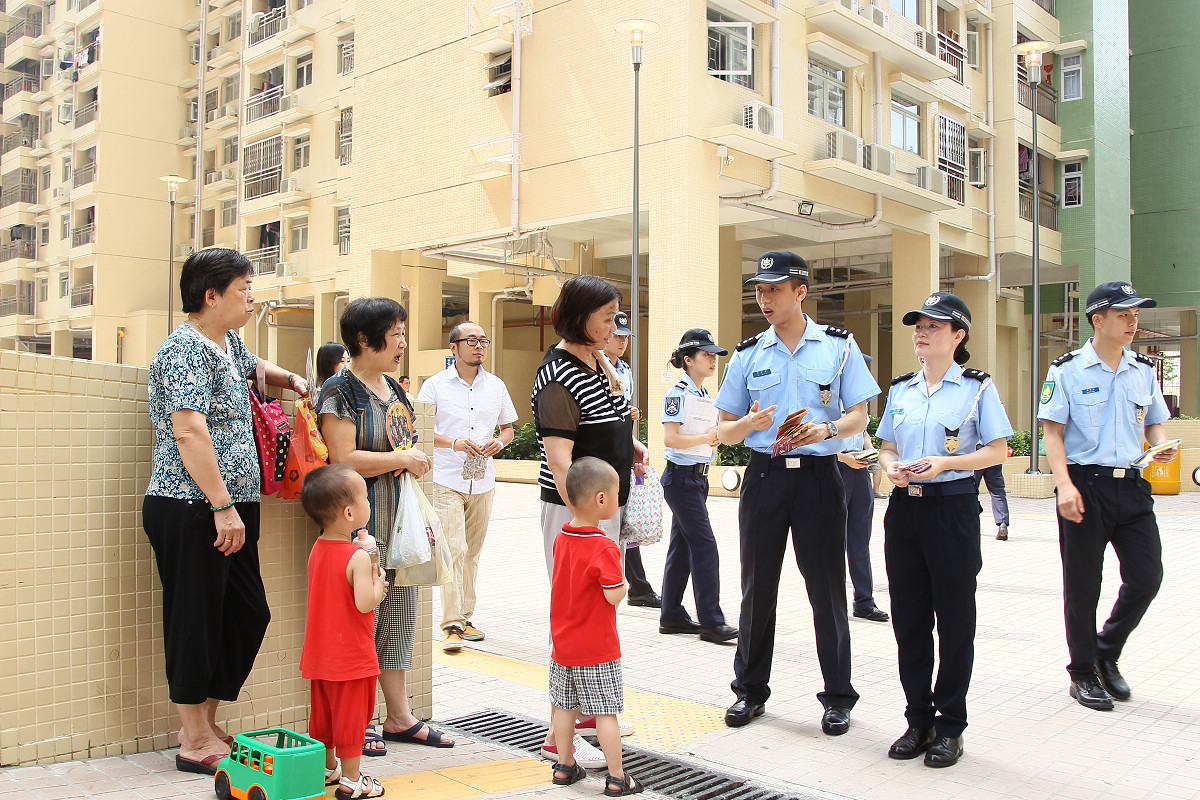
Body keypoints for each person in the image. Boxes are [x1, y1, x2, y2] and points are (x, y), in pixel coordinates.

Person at [142, 248, 308, 775]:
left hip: (231, 507)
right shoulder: (182, 351)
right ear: (211, 296)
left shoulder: (226, 341)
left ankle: (206, 721)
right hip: (193, 506)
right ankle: (192, 738)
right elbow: (189, 431)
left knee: (245, 613)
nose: (251, 297)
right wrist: (221, 506)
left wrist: (291, 380)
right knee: (195, 618)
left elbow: (253, 366)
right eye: (243, 289)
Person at [715, 251, 879, 736]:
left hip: (819, 476)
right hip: (765, 476)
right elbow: (723, 430)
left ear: (801, 291)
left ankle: (837, 697)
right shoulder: (747, 355)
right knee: (756, 588)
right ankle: (749, 691)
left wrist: (826, 430)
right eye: (760, 291)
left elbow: (859, 415)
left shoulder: (837, 346)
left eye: (775, 290)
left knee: (827, 589)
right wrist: (747, 423)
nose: (764, 299)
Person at [877, 292, 1012, 768]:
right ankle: (919, 719)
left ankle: (951, 725)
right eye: (918, 324)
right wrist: (891, 467)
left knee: (954, 622)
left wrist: (947, 463)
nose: (921, 331)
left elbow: (998, 451)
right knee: (909, 620)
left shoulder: (977, 389)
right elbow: (887, 447)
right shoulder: (901, 390)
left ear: (958, 336)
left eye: (934, 326)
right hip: (904, 511)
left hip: (952, 510)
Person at [317, 297, 452, 755]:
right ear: (363, 339)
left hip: (400, 525)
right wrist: (401, 458)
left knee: (398, 623)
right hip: (359, 531)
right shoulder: (339, 391)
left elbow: (403, 443)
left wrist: (412, 460)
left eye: (401, 333)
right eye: (394, 334)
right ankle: (363, 720)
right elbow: (342, 459)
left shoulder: (394, 390)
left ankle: (399, 717)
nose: (402, 343)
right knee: (362, 623)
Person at [1038, 281, 1176, 711]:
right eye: (1123, 315)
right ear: (1098, 320)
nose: (1133, 322)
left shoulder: (1142, 370)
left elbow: (1154, 422)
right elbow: (1053, 433)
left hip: (1132, 487)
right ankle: (1081, 673)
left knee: (1146, 577)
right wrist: (1063, 485)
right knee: (1083, 587)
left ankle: (1106, 650)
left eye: (1136, 315)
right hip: (1085, 485)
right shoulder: (1067, 370)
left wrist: (1162, 442)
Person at [532, 275, 648, 768]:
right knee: (575, 615)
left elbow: (608, 426)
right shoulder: (559, 374)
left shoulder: (599, 363)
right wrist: (585, 527)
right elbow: (561, 459)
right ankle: (558, 735)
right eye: (606, 316)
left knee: (597, 615)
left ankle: (585, 714)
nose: (613, 324)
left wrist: (631, 447)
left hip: (602, 508)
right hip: (575, 514)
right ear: (580, 316)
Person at [416, 321, 518, 652]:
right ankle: (450, 624)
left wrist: (499, 445)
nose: (479, 346)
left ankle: (465, 615)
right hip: (446, 477)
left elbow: (508, 429)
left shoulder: (496, 386)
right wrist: (454, 443)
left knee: (472, 552)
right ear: (454, 348)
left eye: (483, 341)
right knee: (454, 548)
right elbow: (421, 431)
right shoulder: (434, 386)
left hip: (483, 480)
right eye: (471, 340)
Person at [547, 458, 643, 796]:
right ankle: (617, 776)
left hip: (562, 645)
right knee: (605, 712)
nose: (619, 498)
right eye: (617, 492)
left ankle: (564, 766)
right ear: (601, 500)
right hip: (597, 649)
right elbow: (613, 595)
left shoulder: (562, 538)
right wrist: (624, 586)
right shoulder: (603, 545)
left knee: (562, 707)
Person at [299, 464, 388, 799]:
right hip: (351, 655)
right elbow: (365, 603)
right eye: (365, 496)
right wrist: (379, 582)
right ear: (350, 512)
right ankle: (353, 779)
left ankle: (327, 767)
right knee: (352, 718)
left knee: (323, 716)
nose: (368, 501)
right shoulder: (357, 557)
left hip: (320, 653)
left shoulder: (319, 548)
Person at [658, 328, 737, 644]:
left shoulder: (704, 395)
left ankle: (672, 615)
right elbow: (671, 439)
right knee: (705, 546)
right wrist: (707, 437)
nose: (712, 360)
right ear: (688, 359)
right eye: (706, 355)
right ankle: (711, 621)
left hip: (698, 478)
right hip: (681, 478)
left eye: (714, 355)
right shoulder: (677, 394)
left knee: (683, 547)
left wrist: (713, 439)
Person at [603, 311, 659, 608]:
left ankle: (635, 585)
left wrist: (633, 438)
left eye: (626, 336)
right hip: (602, 458)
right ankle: (630, 585)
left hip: (623, 452)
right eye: (618, 335)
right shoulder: (594, 366)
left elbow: (621, 413)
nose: (622, 340)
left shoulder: (624, 370)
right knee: (611, 525)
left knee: (626, 521)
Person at [838, 423, 889, 623]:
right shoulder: (824, 395)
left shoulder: (858, 401)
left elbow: (863, 431)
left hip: (859, 469)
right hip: (836, 467)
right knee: (834, 543)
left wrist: (870, 453)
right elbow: (814, 444)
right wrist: (843, 458)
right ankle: (835, 602)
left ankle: (864, 602)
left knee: (860, 541)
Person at [974, 460, 1011, 540]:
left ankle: (969, 522)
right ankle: (1002, 522)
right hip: (994, 459)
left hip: (976, 457)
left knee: (971, 492)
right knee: (998, 492)